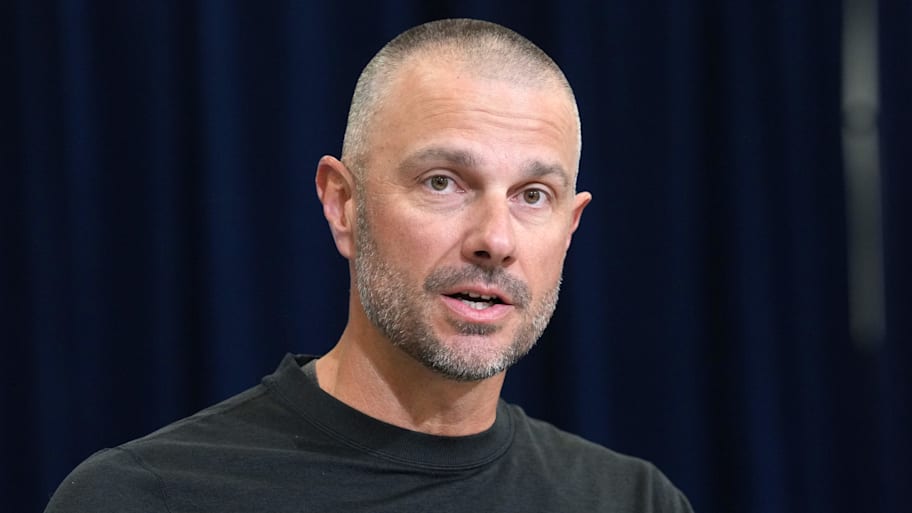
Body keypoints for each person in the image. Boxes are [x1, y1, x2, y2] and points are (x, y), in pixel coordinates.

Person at [45, 18, 693, 512]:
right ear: (342, 203)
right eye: (443, 182)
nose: (495, 239)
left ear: (570, 228)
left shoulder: (634, 500)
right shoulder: (144, 496)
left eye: (532, 195)